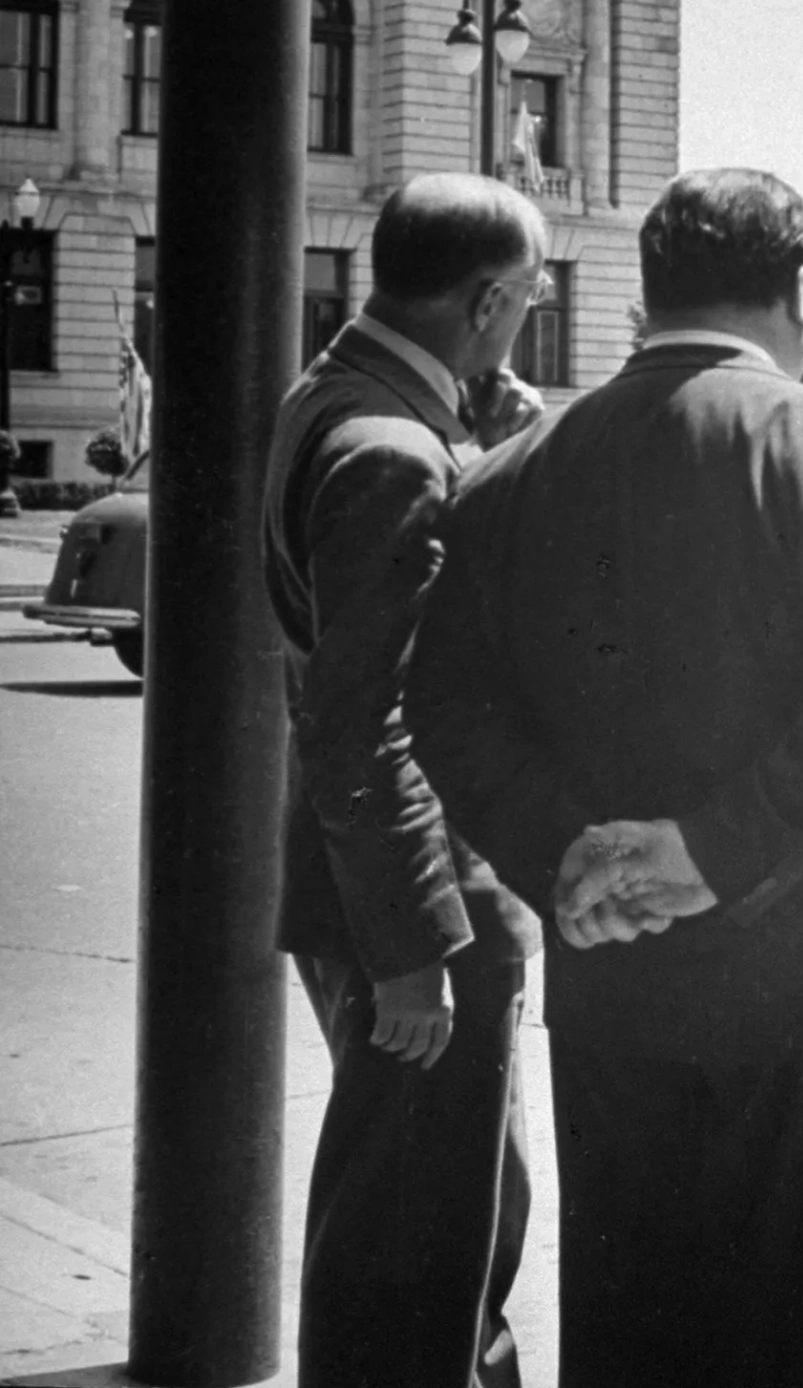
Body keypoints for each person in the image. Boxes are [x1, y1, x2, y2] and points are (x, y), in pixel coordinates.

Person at [406, 166, 803, 1388]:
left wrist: (578, 858)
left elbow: (447, 708)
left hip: (620, 961)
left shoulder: (509, 474)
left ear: (646, 293)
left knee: (638, 1306)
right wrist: (709, 854)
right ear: (802, 291)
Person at [261, 173, 550, 1388]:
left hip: (385, 891)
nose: (528, 321)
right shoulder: (394, 451)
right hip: (423, 903)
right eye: (527, 300)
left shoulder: (342, 394)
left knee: (469, 1203)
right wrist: (413, 950)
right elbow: (360, 722)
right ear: (489, 300)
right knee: (413, 1244)